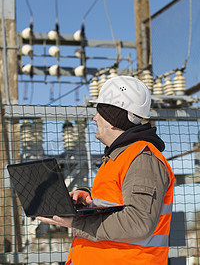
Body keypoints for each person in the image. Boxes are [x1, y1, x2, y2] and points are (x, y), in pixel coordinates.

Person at [37, 75, 175, 265]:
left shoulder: (142, 158)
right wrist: (89, 200)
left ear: (112, 119)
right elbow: (117, 203)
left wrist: (76, 222)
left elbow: (138, 222)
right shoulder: (119, 157)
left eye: (99, 112)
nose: (95, 118)